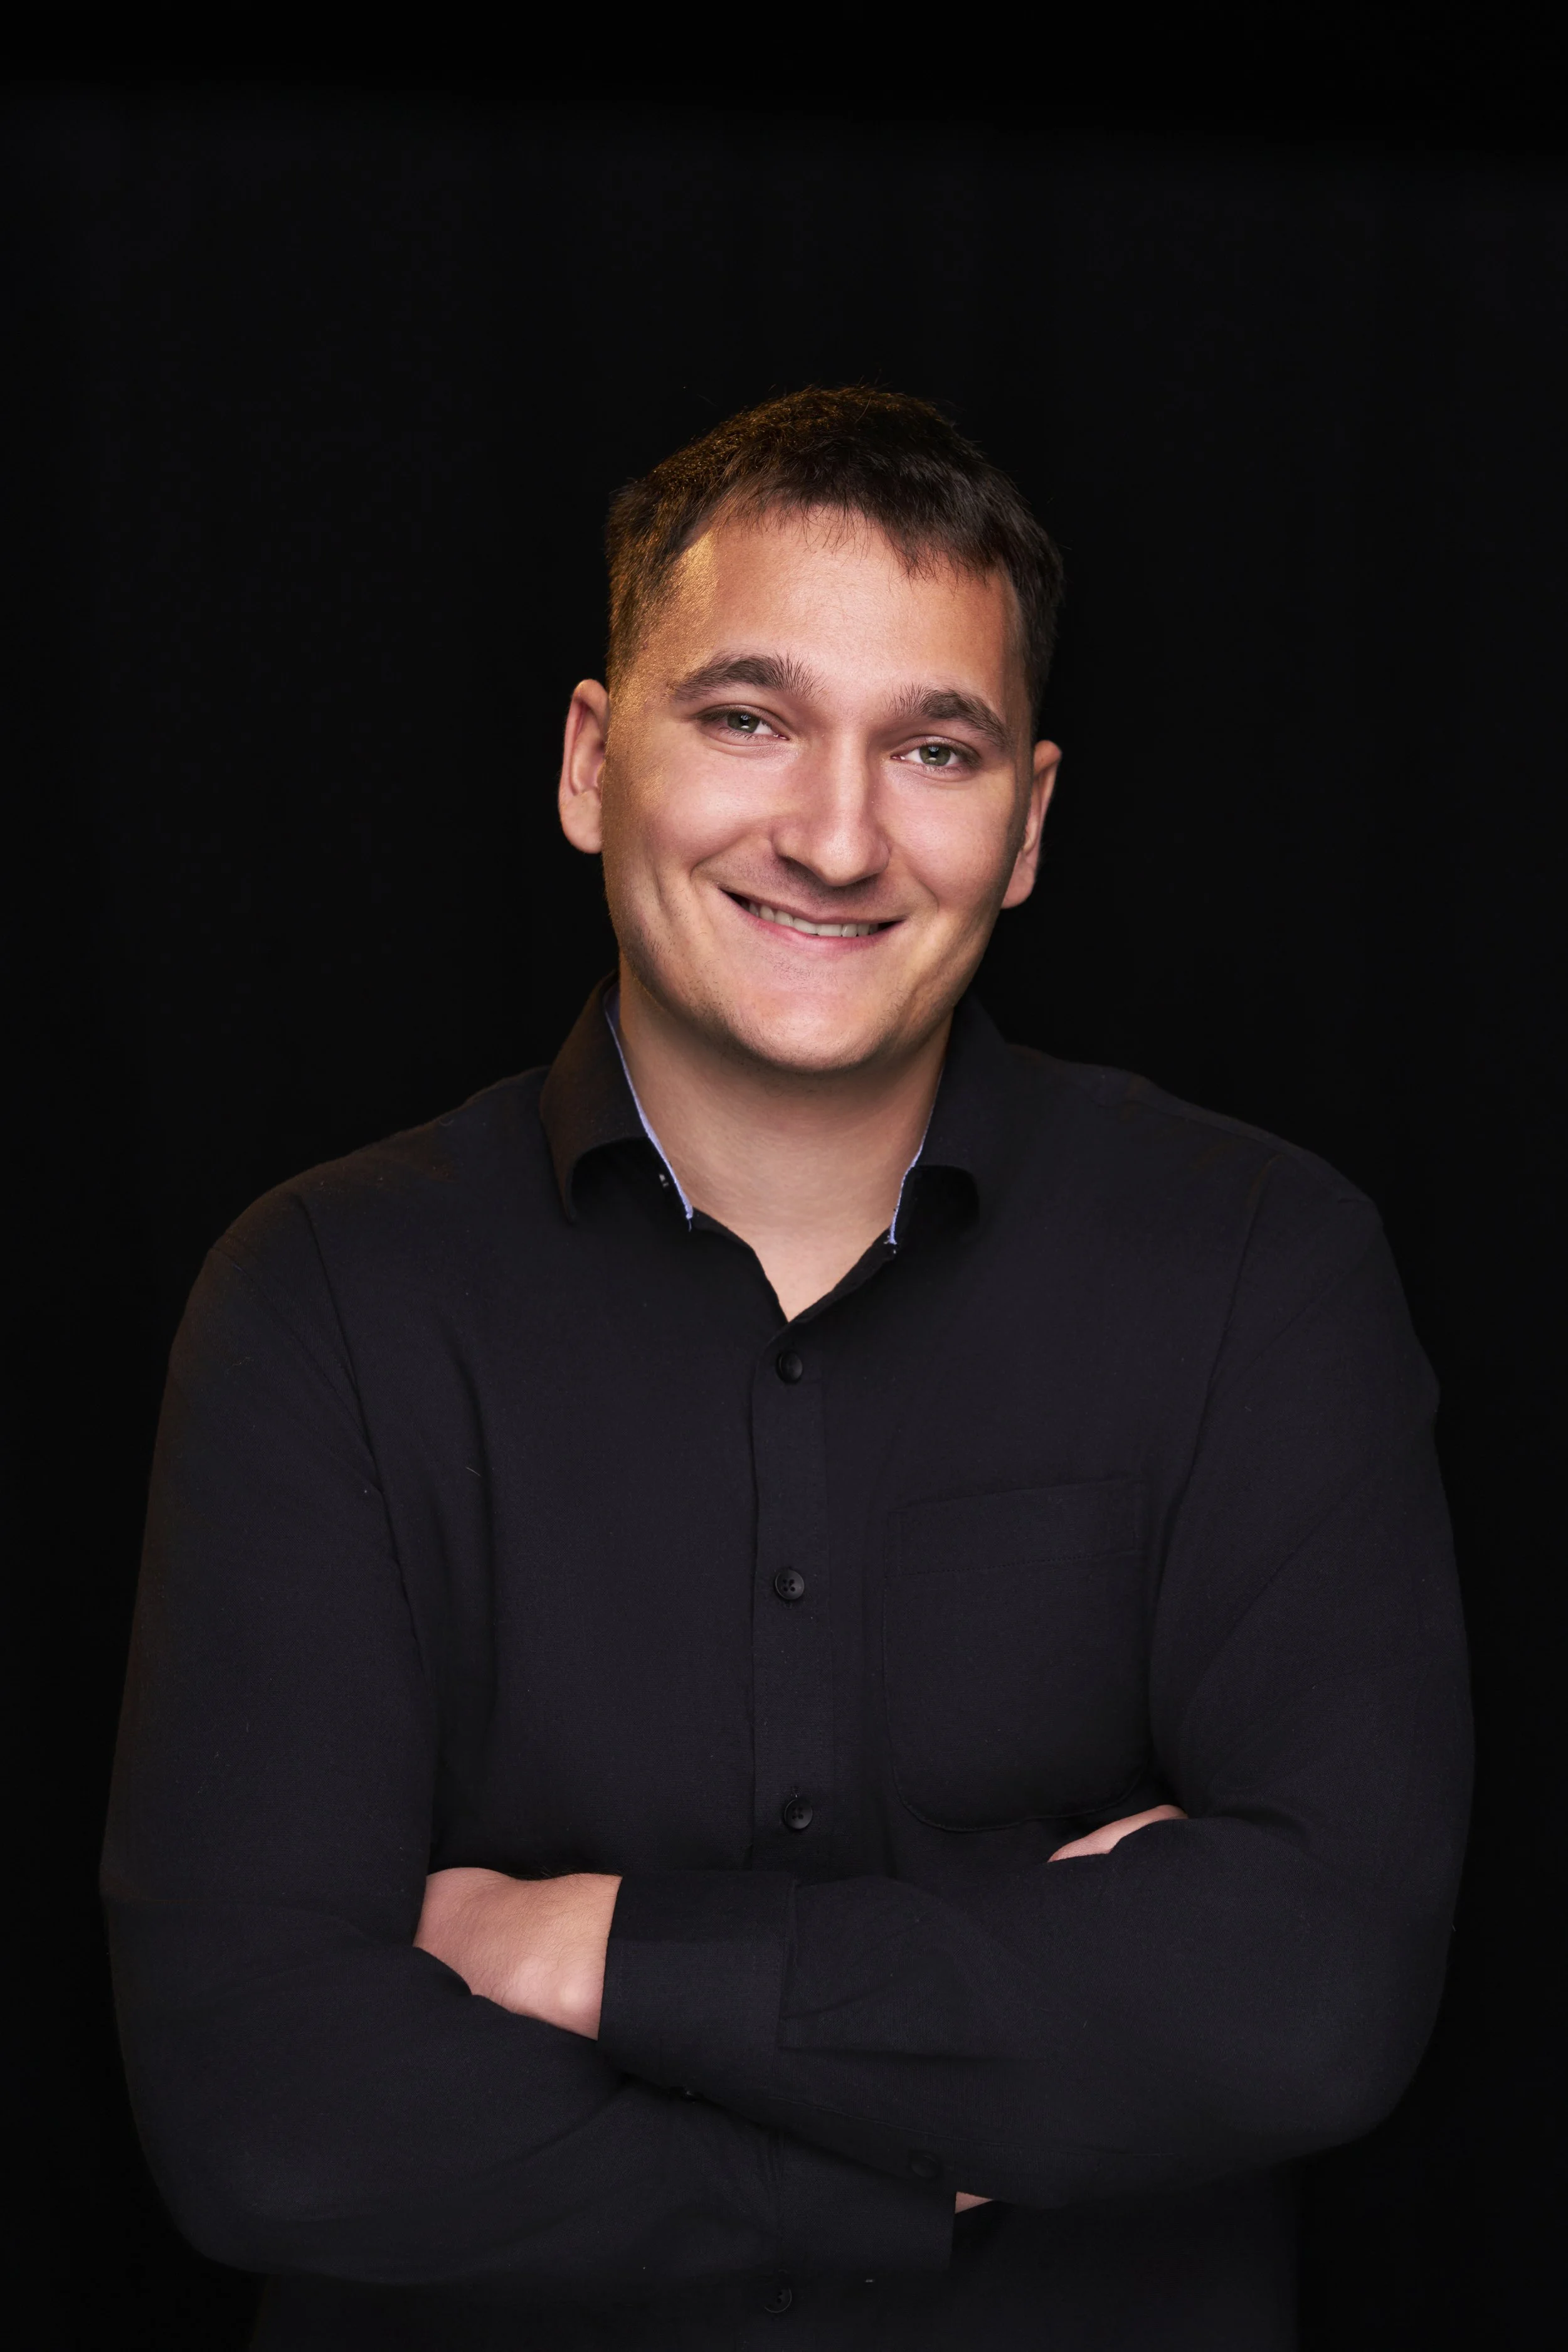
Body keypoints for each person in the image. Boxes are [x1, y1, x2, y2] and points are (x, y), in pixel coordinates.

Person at [103, 386, 1471, 2349]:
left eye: (934, 747)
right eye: (749, 718)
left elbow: (1311, 1994)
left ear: (1027, 824)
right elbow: (276, 2118)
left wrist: (595, 1949)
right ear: (591, 762)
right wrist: (919, 2154)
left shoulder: (1261, 1270)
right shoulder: (321, 1299)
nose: (834, 837)